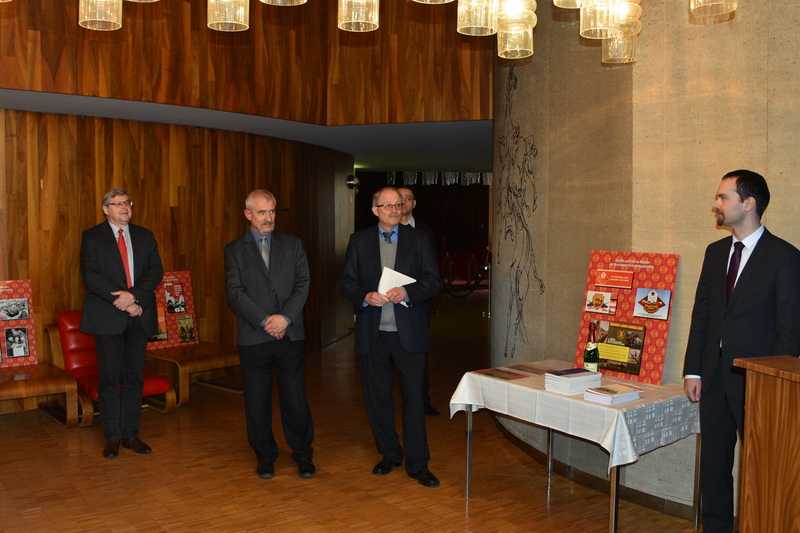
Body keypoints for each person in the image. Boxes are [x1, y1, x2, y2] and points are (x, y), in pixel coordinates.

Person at [683, 170, 800, 533]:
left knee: (764, 469)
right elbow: (702, 313)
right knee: (714, 468)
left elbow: (790, 330)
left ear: (748, 204)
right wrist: (693, 371)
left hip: (759, 384)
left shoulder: (785, 257)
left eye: (723, 197)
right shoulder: (715, 252)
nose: (715, 204)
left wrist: (778, 390)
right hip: (714, 379)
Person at [339, 187, 443, 487]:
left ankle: (418, 463)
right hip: (373, 335)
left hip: (409, 334)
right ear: (375, 210)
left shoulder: (419, 239)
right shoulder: (358, 242)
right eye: (388, 206)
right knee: (377, 399)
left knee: (414, 399)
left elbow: (434, 281)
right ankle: (389, 454)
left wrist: (408, 291)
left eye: (398, 204)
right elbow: (346, 282)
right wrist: (364, 296)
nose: (395, 210)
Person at [224, 189, 315, 480]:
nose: (269, 218)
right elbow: (235, 294)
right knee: (256, 399)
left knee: (295, 398)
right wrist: (266, 320)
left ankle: (302, 453)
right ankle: (265, 455)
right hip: (254, 336)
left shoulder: (293, 244)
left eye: (272, 212)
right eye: (262, 212)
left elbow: (303, 283)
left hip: (289, 335)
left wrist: (285, 318)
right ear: (248, 214)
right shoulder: (234, 250)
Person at [80, 188, 164, 459]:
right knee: (108, 379)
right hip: (108, 316)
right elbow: (90, 275)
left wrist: (134, 296)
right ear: (106, 209)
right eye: (116, 204)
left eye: (127, 202)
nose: (124, 207)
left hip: (139, 316)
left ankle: (131, 434)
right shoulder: (92, 237)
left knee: (133, 378)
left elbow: (155, 271)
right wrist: (124, 300)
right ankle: (112, 436)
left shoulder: (145, 235)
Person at [397, 186, 439, 416]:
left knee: (419, 353)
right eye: (399, 199)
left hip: (417, 303)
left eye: (407, 199)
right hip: (388, 303)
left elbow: (431, 272)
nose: (403, 202)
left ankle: (423, 401)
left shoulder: (424, 232)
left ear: (414, 203)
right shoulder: (385, 231)